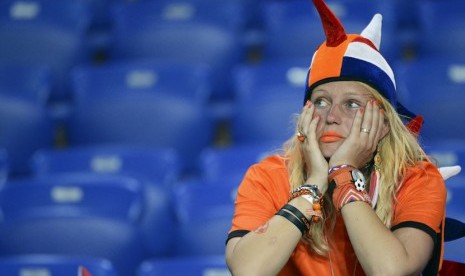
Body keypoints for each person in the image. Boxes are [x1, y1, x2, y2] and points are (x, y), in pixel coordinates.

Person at [225, 0, 447, 275]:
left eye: (352, 104)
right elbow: (248, 270)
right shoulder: (267, 176)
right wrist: (315, 183)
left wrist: (343, 174)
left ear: (384, 122)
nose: (331, 116)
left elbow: (391, 270)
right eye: (320, 102)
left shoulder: (417, 178)